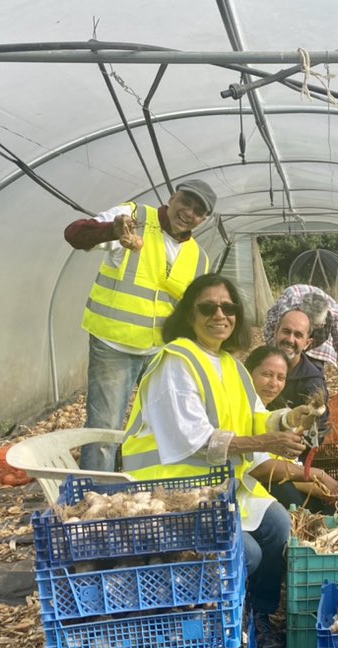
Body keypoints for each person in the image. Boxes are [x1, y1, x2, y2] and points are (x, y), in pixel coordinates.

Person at [119, 274, 317, 648]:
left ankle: (255, 614)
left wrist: (289, 417)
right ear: (189, 315)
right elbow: (198, 442)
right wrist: (266, 444)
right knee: (247, 552)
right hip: (167, 495)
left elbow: (256, 418)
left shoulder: (231, 366)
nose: (219, 315)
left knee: (278, 523)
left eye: (228, 308)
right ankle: (212, 622)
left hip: (216, 490)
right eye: (208, 307)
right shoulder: (175, 363)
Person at [64, 179, 218, 472]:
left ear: (204, 219)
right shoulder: (135, 219)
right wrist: (112, 230)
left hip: (159, 351)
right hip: (114, 344)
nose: (188, 212)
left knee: (168, 422)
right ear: (172, 197)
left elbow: (192, 312)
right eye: (186, 201)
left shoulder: (199, 258)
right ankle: (95, 493)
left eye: (198, 211)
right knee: (104, 428)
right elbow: (75, 234)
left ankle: (152, 482)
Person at [244, 344, 338, 514]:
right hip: (256, 490)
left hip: (285, 481)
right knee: (288, 495)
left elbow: (290, 466)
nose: (273, 384)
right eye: (266, 374)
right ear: (247, 373)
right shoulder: (243, 408)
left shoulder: (277, 409)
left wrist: (319, 488)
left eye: (281, 377)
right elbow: (261, 469)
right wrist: (317, 476)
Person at [263, 284, 338, 399]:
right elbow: (279, 337)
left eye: (314, 326)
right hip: (283, 322)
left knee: (314, 381)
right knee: (281, 360)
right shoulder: (288, 304)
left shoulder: (333, 314)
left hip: (320, 341)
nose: (293, 339)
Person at [268, 309, 330, 439]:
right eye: (286, 331)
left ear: (307, 343)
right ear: (275, 333)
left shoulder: (312, 382)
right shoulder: (257, 364)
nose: (290, 339)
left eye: (298, 335)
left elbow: (315, 432)